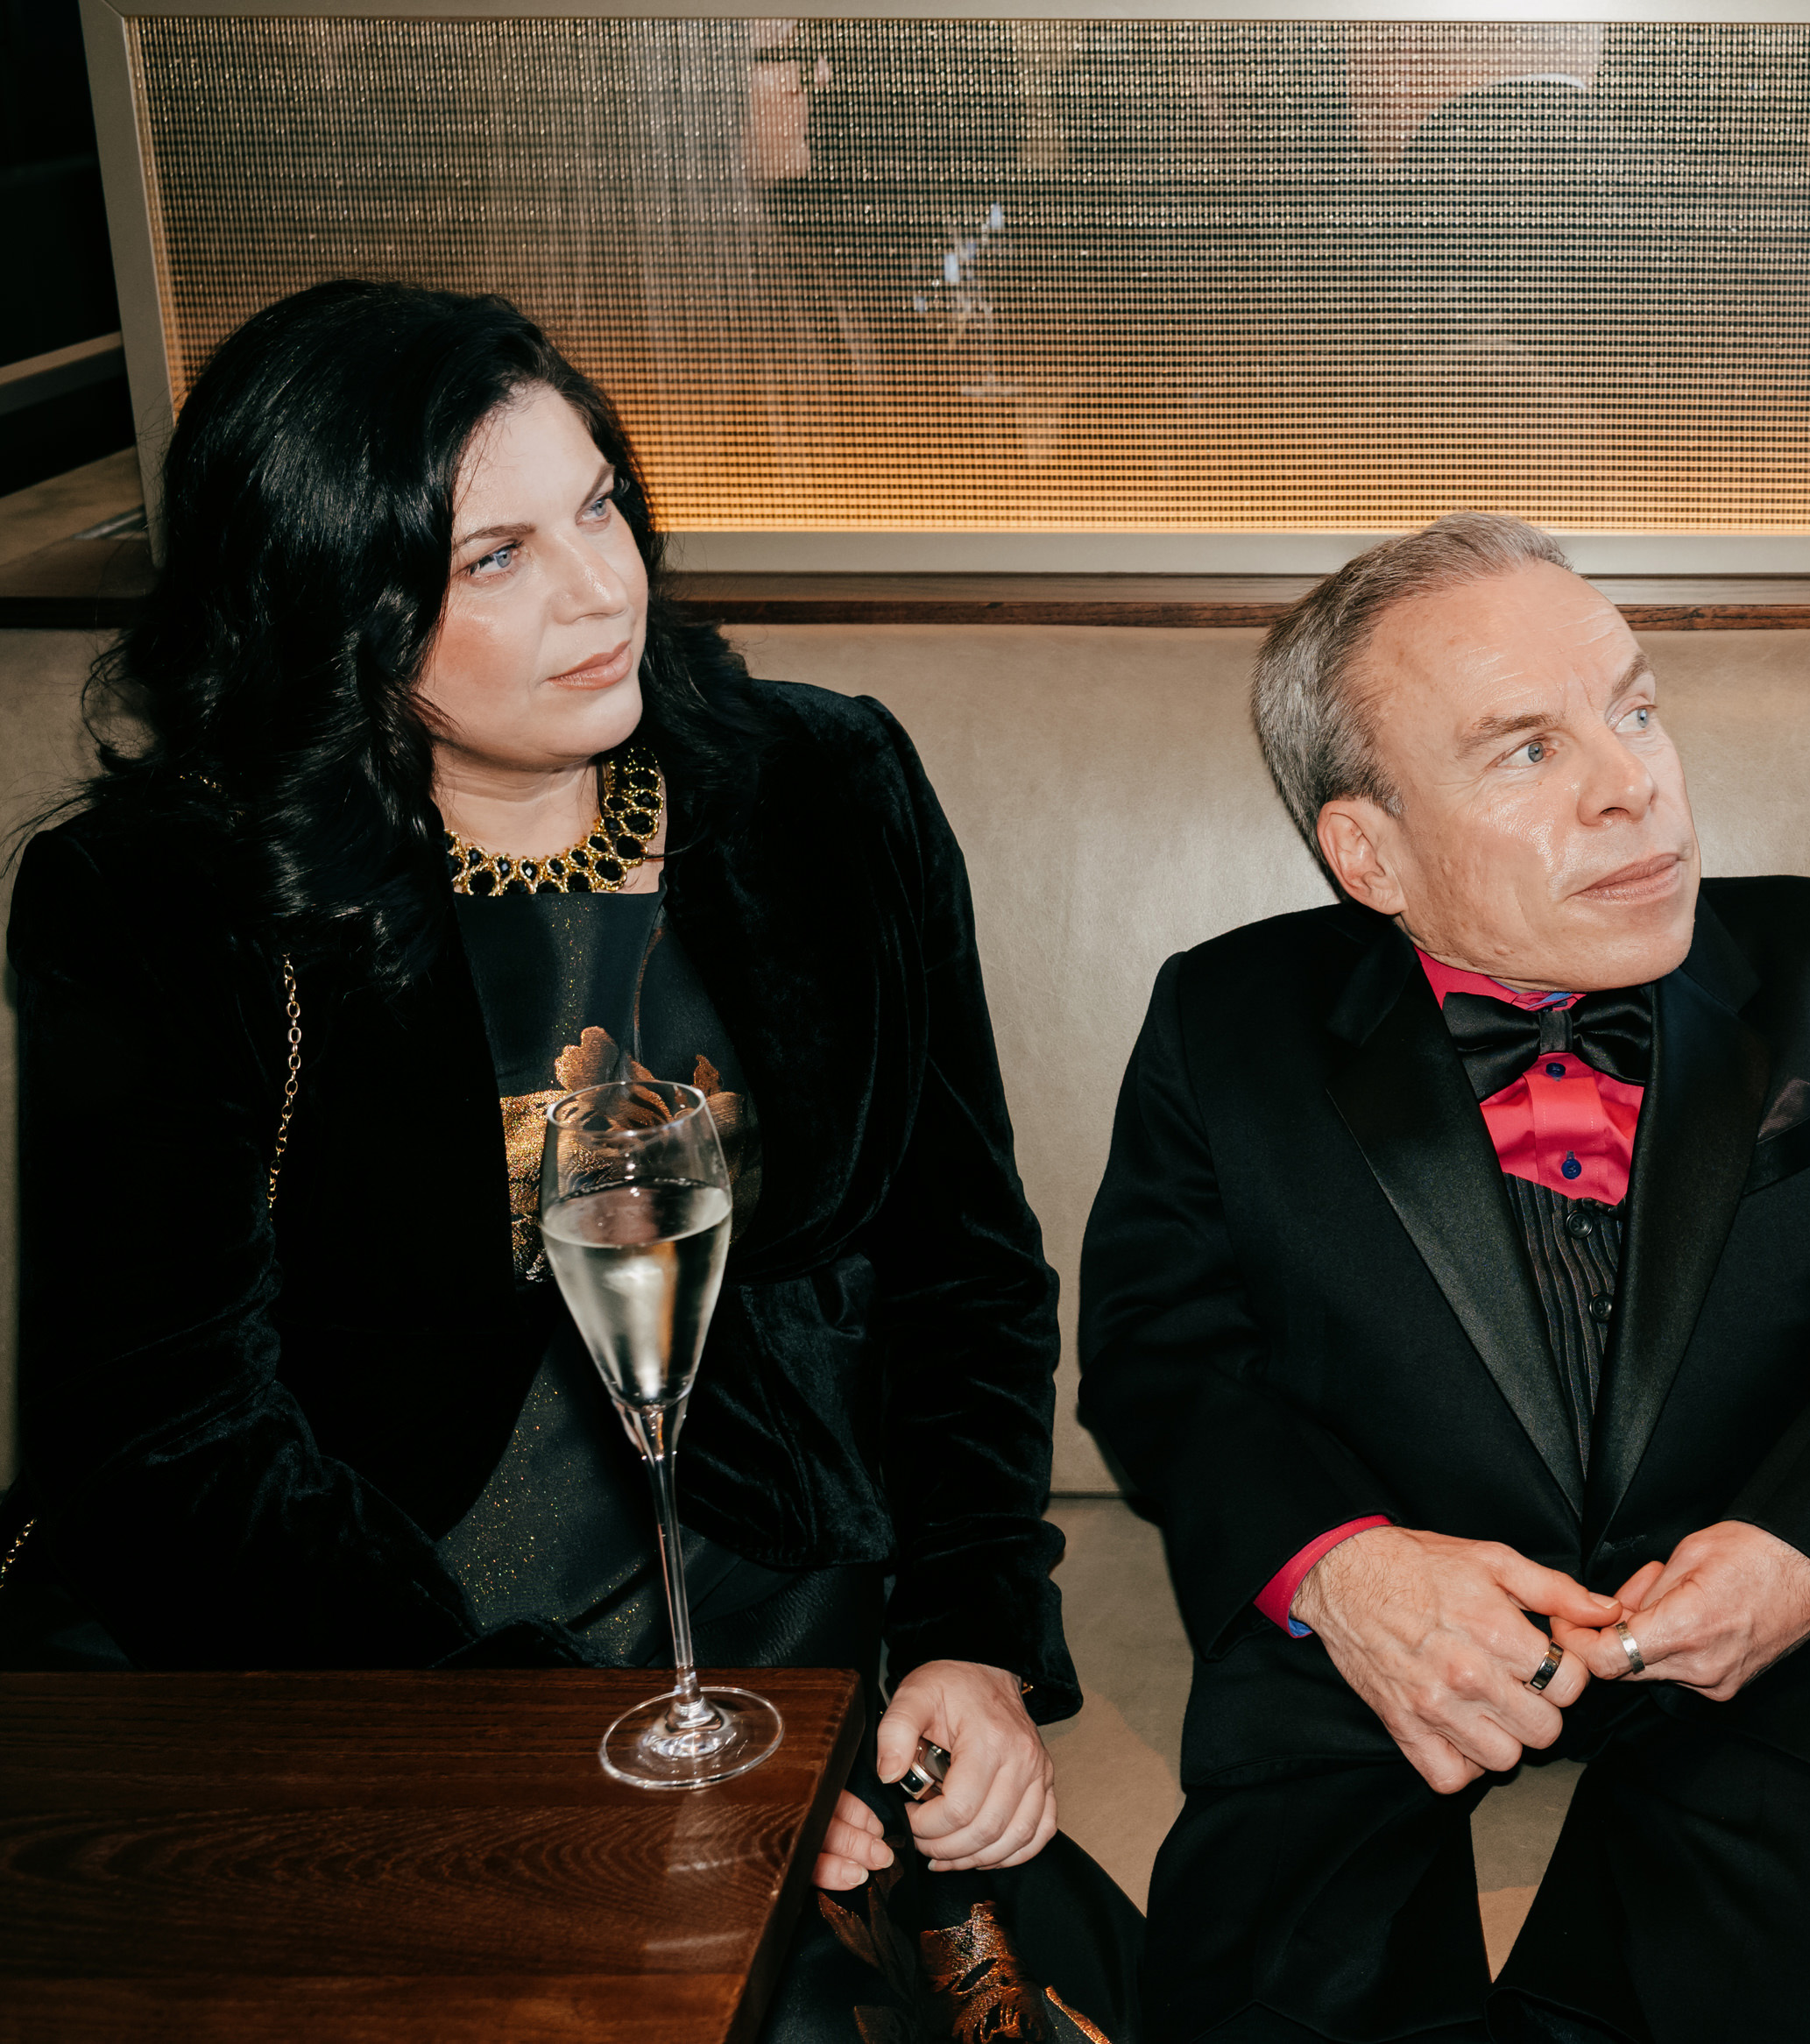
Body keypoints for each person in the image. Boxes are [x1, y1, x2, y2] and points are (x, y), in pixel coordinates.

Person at [1, 279, 1138, 2035]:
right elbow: (165, 1435)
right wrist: (522, 1745)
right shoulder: (160, 904)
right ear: (339, 607)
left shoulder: (825, 789)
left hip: (756, 1575)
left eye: (598, 502)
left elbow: (958, 1262)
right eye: (496, 558)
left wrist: (975, 1635)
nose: (605, 588)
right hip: (366, 1624)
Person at [1077, 511, 1810, 2040]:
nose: (1632, 782)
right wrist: (1341, 1570)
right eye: (1526, 752)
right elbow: (1156, 1348)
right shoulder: (1222, 1025)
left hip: (1766, 1630)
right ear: (1368, 850)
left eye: (1635, 708)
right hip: (1389, 1625)